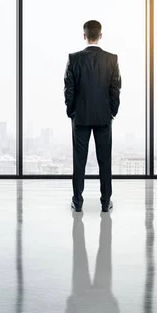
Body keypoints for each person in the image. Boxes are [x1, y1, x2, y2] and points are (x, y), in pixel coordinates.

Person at [64, 20, 121, 213]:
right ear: (101, 35)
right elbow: (116, 88)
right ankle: (106, 202)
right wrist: (112, 111)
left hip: (80, 117)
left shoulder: (74, 59)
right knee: (104, 160)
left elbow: (68, 90)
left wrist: (71, 111)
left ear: (84, 35)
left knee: (79, 161)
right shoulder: (112, 59)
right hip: (104, 117)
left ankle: (77, 202)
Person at [66, 212, 119, 313]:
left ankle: (78, 205)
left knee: (102, 250)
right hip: (87, 299)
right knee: (81, 253)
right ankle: (105, 204)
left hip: (91, 299)